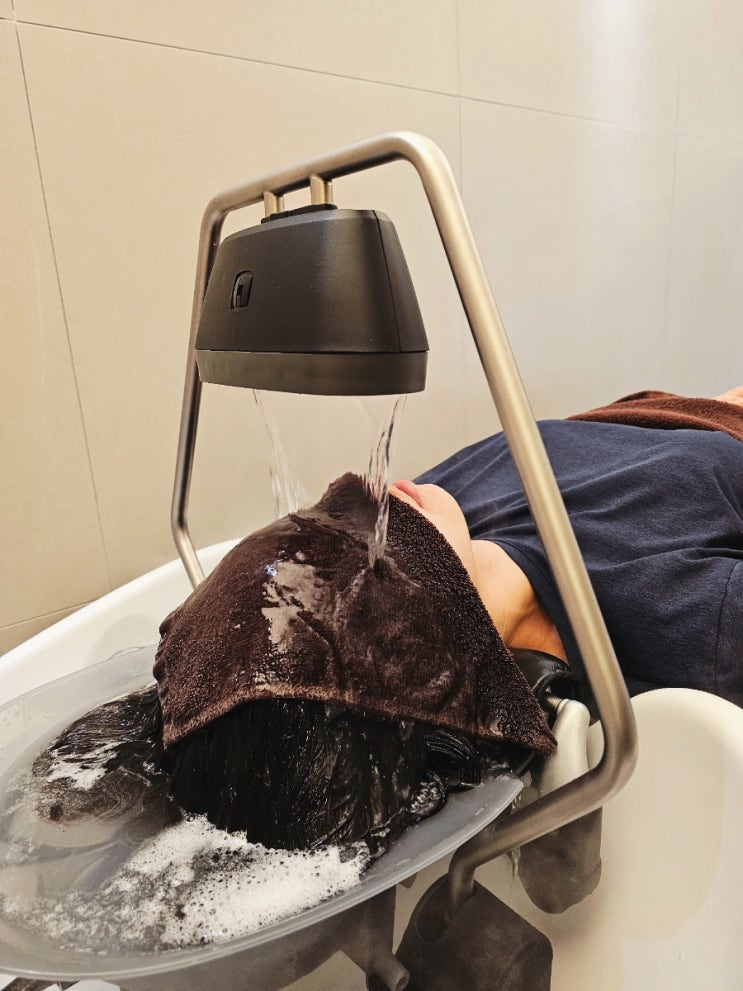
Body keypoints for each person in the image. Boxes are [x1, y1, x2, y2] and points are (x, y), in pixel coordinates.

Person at [390, 386, 743, 706]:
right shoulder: (687, 618)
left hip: (672, 407)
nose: (368, 513)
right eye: (373, 569)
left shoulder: (431, 505)